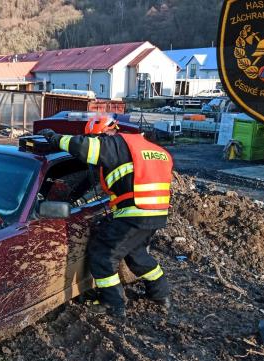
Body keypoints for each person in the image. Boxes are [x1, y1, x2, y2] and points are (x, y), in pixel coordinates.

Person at [39, 116, 173, 318]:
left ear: (103, 134)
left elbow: (81, 146)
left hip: (135, 212)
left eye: (96, 139)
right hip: (156, 212)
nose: (97, 144)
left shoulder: (115, 143)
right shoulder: (151, 149)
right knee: (136, 254)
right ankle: (161, 295)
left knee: (103, 254)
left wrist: (53, 137)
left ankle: (113, 304)